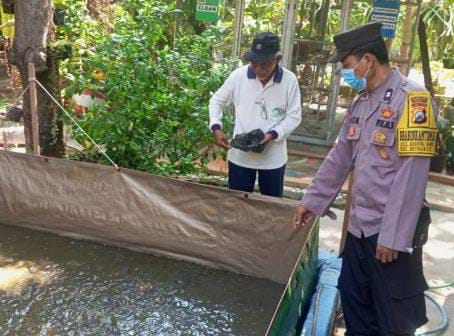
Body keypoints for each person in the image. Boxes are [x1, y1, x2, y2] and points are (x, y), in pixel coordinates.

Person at [293, 22, 438, 335]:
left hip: (389, 235)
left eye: (347, 65)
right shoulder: (361, 102)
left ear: (368, 60)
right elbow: (339, 156)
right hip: (358, 230)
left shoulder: (414, 100)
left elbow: (411, 173)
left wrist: (392, 237)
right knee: (355, 303)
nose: (346, 72)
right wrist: (312, 202)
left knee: (393, 317)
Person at [209, 32, 302, 198]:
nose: (259, 69)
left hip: (273, 159)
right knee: (237, 206)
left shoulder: (289, 81)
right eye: (254, 63)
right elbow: (216, 100)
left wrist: (272, 134)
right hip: (240, 158)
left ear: (278, 58)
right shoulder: (239, 76)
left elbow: (294, 116)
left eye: (265, 64)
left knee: (271, 207)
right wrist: (216, 127)